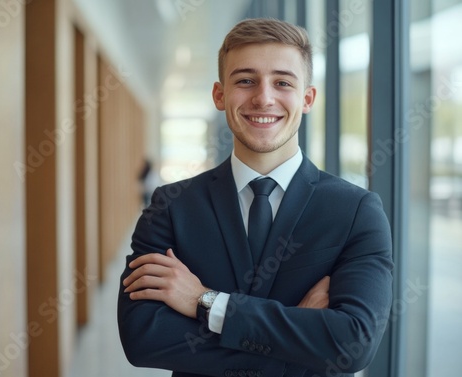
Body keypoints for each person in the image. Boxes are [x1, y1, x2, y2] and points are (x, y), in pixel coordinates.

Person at [118, 18, 393, 377]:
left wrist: (205, 302)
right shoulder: (171, 206)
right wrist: (300, 345)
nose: (264, 97)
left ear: (307, 98)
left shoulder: (357, 211)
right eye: (245, 80)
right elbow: (144, 339)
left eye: (283, 82)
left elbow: (353, 343)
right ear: (220, 95)